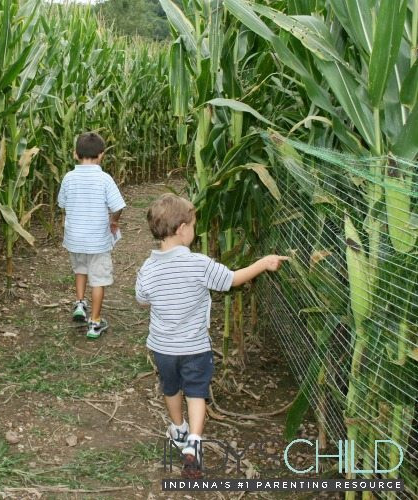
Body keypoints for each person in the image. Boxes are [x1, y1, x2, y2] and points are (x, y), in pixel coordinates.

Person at [135, 193, 288, 478]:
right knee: (196, 392)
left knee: (170, 387)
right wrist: (263, 263)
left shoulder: (148, 268)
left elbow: (142, 299)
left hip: (163, 347)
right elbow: (231, 280)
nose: (194, 230)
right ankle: (194, 442)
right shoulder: (199, 264)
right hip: (194, 346)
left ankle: (178, 429)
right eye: (193, 225)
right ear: (182, 229)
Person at [57, 131, 126, 339]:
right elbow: (118, 206)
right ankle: (95, 323)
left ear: (75, 154)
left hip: (74, 238)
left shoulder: (68, 177)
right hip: (97, 240)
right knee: (98, 280)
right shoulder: (105, 179)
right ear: (101, 155)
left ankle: (79, 303)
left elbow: (61, 203)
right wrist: (113, 220)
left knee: (80, 269)